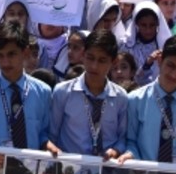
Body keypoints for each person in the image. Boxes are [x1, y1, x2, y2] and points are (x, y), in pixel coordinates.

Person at [0, 21, 54, 152]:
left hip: (31, 169)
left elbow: (43, 134)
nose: (5, 62)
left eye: (11, 54)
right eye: (0, 55)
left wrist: (48, 145)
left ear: (25, 52)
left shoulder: (43, 92)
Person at [120, 33, 176, 165]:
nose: (174, 74)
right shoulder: (136, 100)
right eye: (170, 66)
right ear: (160, 60)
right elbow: (131, 141)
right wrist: (130, 154)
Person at [49, 29, 128, 158]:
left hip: (106, 170)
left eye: (102, 60)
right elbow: (52, 135)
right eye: (90, 58)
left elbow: (123, 139)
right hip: (70, 170)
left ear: (113, 62)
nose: (94, 66)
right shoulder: (63, 92)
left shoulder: (121, 98)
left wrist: (115, 151)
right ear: (83, 55)